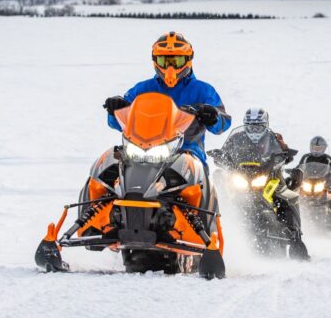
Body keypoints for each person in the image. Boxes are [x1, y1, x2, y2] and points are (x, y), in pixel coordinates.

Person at [102, 31, 231, 168]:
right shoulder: (142, 89)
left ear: (188, 60)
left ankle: (201, 189)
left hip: (187, 152)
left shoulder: (203, 90)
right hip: (142, 151)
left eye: (177, 61)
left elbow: (224, 123)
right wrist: (116, 109)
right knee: (107, 168)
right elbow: (119, 122)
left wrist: (213, 116)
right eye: (164, 61)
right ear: (155, 60)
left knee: (190, 173)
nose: (170, 68)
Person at [213, 108, 309, 259]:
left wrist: (285, 153)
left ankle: (295, 238)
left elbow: (285, 154)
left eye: (258, 126)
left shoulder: (274, 138)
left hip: (270, 176)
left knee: (287, 197)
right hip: (241, 175)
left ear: (265, 125)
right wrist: (220, 157)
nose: (254, 130)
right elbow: (225, 153)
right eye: (251, 126)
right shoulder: (236, 138)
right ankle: (212, 233)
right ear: (245, 125)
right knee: (219, 194)